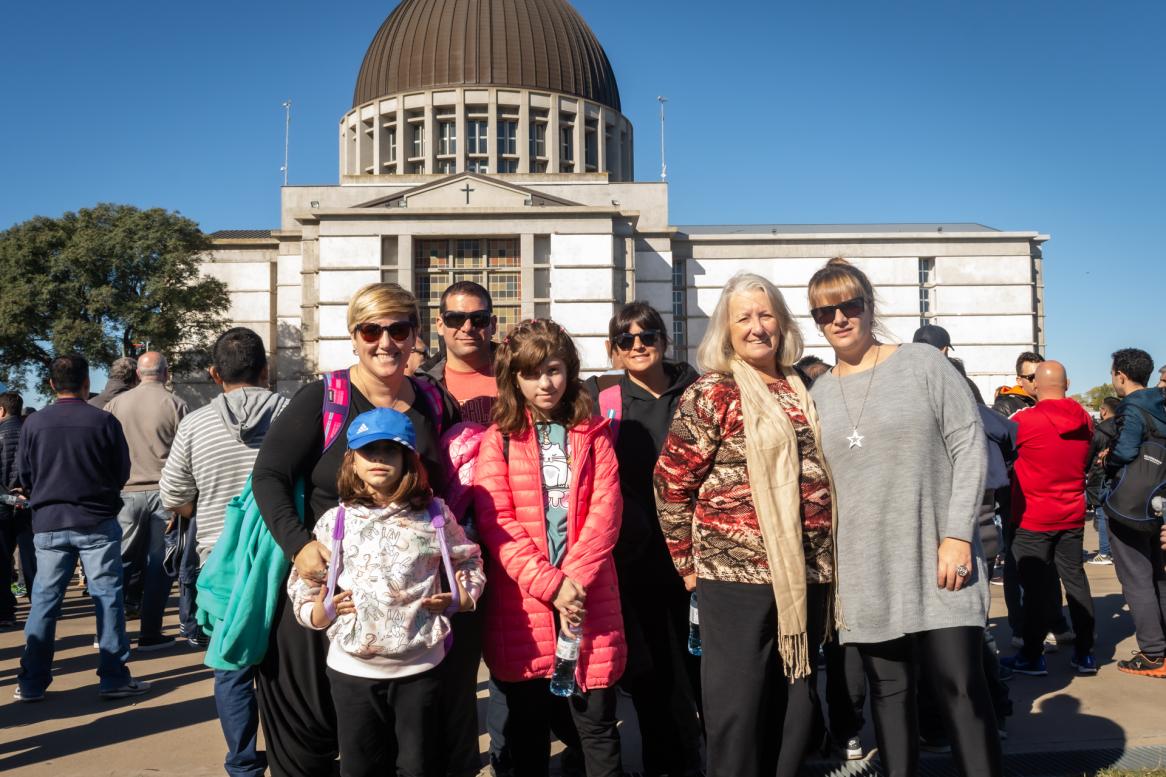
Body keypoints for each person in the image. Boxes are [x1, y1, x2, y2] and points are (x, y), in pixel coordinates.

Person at [250, 282, 460, 777]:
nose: (385, 342)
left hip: (404, 619)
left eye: (398, 329)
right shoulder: (322, 399)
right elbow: (269, 475)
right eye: (372, 330)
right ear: (354, 336)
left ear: (415, 338)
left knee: (394, 750)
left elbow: (447, 492)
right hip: (324, 599)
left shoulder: (434, 402)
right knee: (310, 741)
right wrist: (299, 547)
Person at [806, 258, 1001, 777]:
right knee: (889, 698)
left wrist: (958, 534)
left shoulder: (921, 364)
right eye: (826, 312)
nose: (840, 319)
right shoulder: (818, 394)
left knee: (959, 686)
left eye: (850, 305)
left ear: (870, 306)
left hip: (939, 558)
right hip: (865, 570)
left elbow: (968, 443)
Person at [655, 273, 834, 777]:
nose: (757, 327)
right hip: (735, 578)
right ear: (725, 330)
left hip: (806, 574)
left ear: (782, 321)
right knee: (739, 711)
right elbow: (671, 483)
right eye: (744, 318)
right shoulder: (713, 393)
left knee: (796, 709)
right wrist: (687, 565)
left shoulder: (805, 386)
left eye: (766, 314)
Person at [288, 408, 485, 777]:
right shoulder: (335, 521)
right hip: (352, 671)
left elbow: (469, 560)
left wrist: (462, 596)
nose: (379, 459)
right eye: (369, 450)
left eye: (389, 450)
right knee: (361, 768)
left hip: (420, 669)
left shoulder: (435, 516)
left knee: (417, 766)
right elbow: (304, 581)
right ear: (352, 461)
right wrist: (317, 613)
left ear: (407, 458)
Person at [474, 318, 626, 777]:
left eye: (554, 369)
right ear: (513, 379)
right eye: (532, 373)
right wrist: (550, 584)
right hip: (524, 604)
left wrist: (573, 581)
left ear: (570, 370)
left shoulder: (592, 433)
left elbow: (607, 508)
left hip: (589, 599)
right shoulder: (498, 440)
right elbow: (495, 520)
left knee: (597, 725)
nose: (546, 383)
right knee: (527, 731)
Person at [159, 327, 288, 777]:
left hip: (219, 563)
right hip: (286, 556)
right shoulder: (291, 414)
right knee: (283, 663)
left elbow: (173, 491)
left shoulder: (195, 423)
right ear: (266, 370)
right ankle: (291, 756)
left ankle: (242, 761)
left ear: (215, 374)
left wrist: (210, 509)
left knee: (232, 662)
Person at [583, 302, 702, 777]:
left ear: (664, 341)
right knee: (654, 679)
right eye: (626, 339)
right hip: (635, 563)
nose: (638, 346)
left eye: (647, 336)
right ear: (613, 348)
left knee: (706, 678)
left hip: (697, 558)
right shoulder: (603, 399)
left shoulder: (696, 391)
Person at [14, 354, 150, 701]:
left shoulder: (34, 424)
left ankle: (32, 681)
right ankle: (114, 676)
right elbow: (121, 471)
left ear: (50, 385)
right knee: (107, 599)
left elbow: (23, 476)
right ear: (87, 383)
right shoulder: (103, 421)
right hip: (96, 520)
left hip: (49, 521)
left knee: (45, 602)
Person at [1001, 361, 1097, 677]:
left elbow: (1000, 443)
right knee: (1076, 582)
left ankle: (1032, 655)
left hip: (1033, 518)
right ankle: (1085, 654)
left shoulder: (1025, 421)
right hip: (1071, 514)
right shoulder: (1084, 419)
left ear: (1035, 386)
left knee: (1036, 591)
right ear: (1067, 384)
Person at [105, 351, 189, 650]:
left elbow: (107, 449)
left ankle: (109, 630)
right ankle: (150, 631)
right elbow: (185, 456)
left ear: (139, 374)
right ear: (165, 373)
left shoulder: (116, 404)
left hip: (126, 492)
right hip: (164, 492)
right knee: (159, 564)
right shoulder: (176, 404)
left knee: (121, 561)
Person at [1103, 348, 1166, 678]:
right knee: (1157, 573)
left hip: (1129, 504)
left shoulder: (1132, 406)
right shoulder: (1161, 404)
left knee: (1135, 577)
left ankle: (1153, 653)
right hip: (1157, 500)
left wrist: (1107, 460)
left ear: (1120, 375)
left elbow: (1126, 450)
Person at [419, 280, 499, 425]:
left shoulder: (521, 373)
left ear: (493, 325)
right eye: (455, 318)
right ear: (440, 325)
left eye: (479, 318)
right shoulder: (420, 386)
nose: (467, 327)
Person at [1, 391, 33, 628]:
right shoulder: (29, 433)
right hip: (28, 502)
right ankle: (40, 603)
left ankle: (5, 609)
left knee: (2, 558)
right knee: (31, 556)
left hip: (2, 504)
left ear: (2, 410)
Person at [1085, 396, 1120, 565]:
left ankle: (1105, 552)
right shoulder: (1124, 427)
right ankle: (1111, 551)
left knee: (1100, 513)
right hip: (1119, 478)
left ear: (1104, 410)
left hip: (1099, 477)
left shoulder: (1099, 432)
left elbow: (1088, 457)